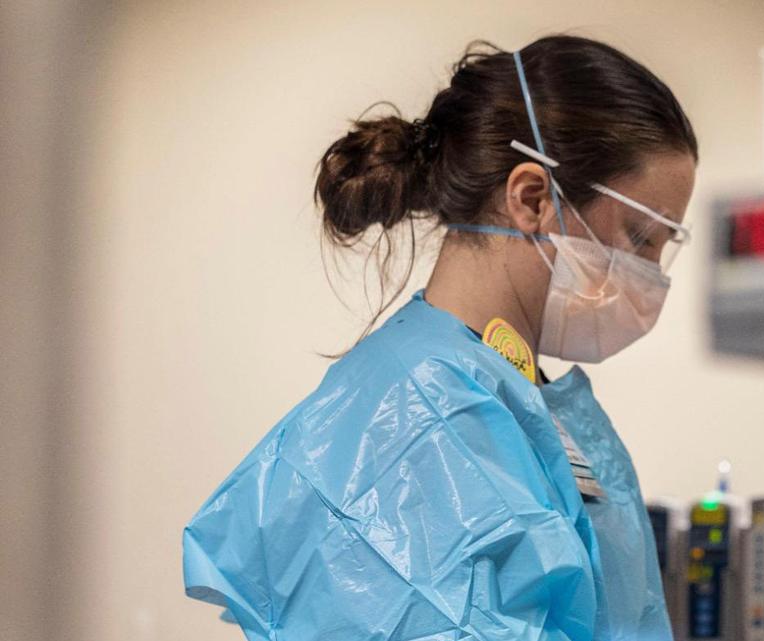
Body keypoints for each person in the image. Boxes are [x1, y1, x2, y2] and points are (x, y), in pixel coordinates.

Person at [182, 35, 698, 641]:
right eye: (639, 239)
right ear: (532, 198)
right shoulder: (421, 411)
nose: (650, 278)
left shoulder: (515, 394)